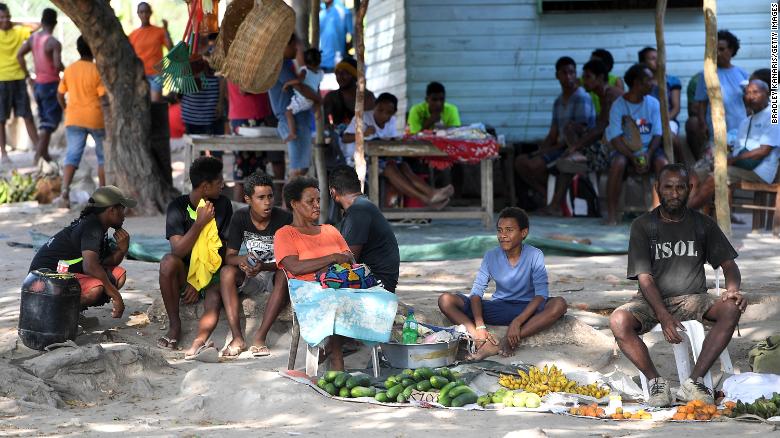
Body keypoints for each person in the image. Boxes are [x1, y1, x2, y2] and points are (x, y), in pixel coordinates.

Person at [610, 163, 745, 406]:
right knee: (618, 321)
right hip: (650, 301)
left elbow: (729, 265)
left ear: (690, 188)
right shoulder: (642, 225)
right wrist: (663, 315)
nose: (674, 193)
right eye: (668, 187)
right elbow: (645, 277)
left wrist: (732, 290)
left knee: (732, 308)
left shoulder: (703, 224)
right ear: (657, 189)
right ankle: (655, 382)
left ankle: (694, 382)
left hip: (693, 298)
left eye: (680, 187)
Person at [185, 172, 292, 358]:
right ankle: (237, 338)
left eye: (270, 197)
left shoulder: (284, 219)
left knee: (284, 274)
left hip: (274, 273)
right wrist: (243, 261)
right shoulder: (240, 217)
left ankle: (260, 338)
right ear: (248, 199)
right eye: (261, 198)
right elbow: (230, 257)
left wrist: (263, 267)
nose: (267, 202)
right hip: (252, 274)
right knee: (227, 272)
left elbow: (289, 261)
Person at [438, 207, 568, 360]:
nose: (503, 235)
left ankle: (506, 340)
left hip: (527, 310)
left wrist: (517, 322)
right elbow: (476, 292)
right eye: (499, 230)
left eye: (509, 230)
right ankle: (478, 339)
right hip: (499, 307)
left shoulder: (535, 254)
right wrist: (479, 326)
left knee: (559, 304)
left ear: (523, 233)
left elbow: (541, 295)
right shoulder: (491, 255)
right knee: (445, 300)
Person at [274, 176, 355, 370]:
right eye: (310, 201)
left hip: (338, 285)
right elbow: (295, 267)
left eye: (319, 200)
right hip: (307, 291)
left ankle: (331, 352)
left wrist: (328, 265)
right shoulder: (285, 234)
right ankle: (336, 359)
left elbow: (350, 259)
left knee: (379, 299)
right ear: (294, 204)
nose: (317, 205)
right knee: (335, 300)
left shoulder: (329, 230)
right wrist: (332, 258)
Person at [158, 157, 233, 350]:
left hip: (210, 274)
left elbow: (219, 252)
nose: (223, 186)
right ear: (205, 187)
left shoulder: (223, 205)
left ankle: (199, 342)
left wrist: (199, 281)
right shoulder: (177, 207)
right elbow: (178, 251)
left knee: (213, 298)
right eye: (218, 183)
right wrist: (200, 223)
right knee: (167, 262)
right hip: (185, 273)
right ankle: (175, 326)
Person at [29, 186, 136, 319]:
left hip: (55, 276)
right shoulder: (93, 227)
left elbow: (105, 262)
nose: (124, 214)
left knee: (118, 275)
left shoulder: (99, 226)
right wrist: (116, 296)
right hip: (42, 280)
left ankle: (71, 312)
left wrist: (122, 249)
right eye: (122, 209)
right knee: (95, 289)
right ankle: (57, 316)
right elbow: (90, 267)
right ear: (112, 210)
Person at [341, 92, 453, 208]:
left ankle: (431, 193)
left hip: (380, 159)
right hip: (357, 162)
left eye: (388, 113)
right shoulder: (362, 118)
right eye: (380, 110)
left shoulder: (392, 121)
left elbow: (389, 141)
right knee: (389, 168)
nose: (384, 115)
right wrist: (363, 134)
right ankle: (427, 199)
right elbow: (345, 138)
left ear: (393, 113)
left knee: (403, 165)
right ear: (375, 106)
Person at [540, 59, 620, 216]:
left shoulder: (609, 95)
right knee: (569, 147)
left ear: (600, 78)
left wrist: (575, 147)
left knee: (568, 162)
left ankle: (556, 204)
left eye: (588, 76)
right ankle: (555, 204)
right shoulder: (603, 95)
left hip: (616, 148)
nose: (584, 80)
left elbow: (600, 130)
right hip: (607, 144)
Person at [515, 57, 595, 207]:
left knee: (535, 165)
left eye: (572, 72)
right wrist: (541, 150)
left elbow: (579, 135)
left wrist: (547, 151)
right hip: (559, 147)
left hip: (575, 148)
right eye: (564, 73)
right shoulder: (558, 101)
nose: (569, 77)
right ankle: (548, 195)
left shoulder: (581, 98)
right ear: (557, 75)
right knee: (520, 162)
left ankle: (556, 200)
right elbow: (553, 134)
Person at [688, 80, 780, 209]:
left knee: (717, 176)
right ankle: (694, 216)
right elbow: (737, 150)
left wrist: (731, 160)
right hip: (741, 167)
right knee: (695, 174)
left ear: (767, 93)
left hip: (759, 172)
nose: (750, 96)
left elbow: (763, 151)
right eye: (747, 93)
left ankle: (685, 214)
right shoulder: (746, 121)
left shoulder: (774, 116)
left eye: (755, 92)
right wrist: (721, 159)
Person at [605, 63, 669, 225]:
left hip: (649, 149)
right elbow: (615, 138)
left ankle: (658, 214)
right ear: (636, 83)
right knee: (618, 163)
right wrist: (633, 157)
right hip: (626, 150)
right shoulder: (618, 105)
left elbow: (657, 134)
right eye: (648, 80)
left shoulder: (653, 103)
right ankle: (612, 214)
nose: (652, 83)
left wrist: (647, 154)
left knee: (663, 163)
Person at [54, 36, 107, 209]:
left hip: (74, 117)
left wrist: (66, 109)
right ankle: (103, 196)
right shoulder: (97, 69)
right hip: (95, 118)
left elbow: (60, 94)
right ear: (92, 49)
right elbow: (103, 96)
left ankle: (64, 194)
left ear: (78, 49)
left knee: (72, 155)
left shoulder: (70, 69)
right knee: (102, 157)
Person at [328, 165, 400, 292]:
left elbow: (348, 260)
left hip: (378, 283)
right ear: (359, 185)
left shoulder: (357, 212)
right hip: (378, 279)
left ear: (332, 192)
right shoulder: (363, 206)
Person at [269, 34, 321, 177]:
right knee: (297, 172)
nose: (296, 49)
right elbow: (300, 88)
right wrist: (318, 99)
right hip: (293, 120)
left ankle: (292, 199)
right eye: (294, 46)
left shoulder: (288, 64)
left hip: (299, 119)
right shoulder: (280, 65)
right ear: (284, 46)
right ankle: (290, 199)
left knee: (301, 170)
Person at [16, 8, 62, 163]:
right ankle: (38, 157)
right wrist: (66, 69)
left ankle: (44, 155)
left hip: (38, 86)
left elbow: (19, 55)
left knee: (44, 122)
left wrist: (28, 76)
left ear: (42, 22)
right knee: (50, 124)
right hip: (51, 85)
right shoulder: (53, 43)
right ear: (55, 23)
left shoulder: (33, 39)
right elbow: (56, 66)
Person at [226, 83, 282, 201]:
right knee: (243, 171)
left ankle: (250, 214)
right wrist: (264, 83)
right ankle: (239, 215)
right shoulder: (243, 66)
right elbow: (243, 88)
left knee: (256, 170)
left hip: (253, 115)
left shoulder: (233, 66)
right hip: (245, 116)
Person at [692, 30, 749, 147]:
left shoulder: (742, 74)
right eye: (714, 50)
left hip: (740, 124)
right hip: (716, 127)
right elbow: (701, 104)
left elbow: (748, 103)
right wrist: (703, 125)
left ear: (732, 50)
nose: (717, 53)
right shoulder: (706, 74)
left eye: (722, 49)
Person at [0, 3, 40, 165]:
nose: (5, 20)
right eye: (1, 17)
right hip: (1, 80)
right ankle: (3, 153)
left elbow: (37, 26)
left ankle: (39, 149)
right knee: (1, 119)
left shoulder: (18, 31)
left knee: (27, 116)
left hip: (18, 79)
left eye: (7, 16)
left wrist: (15, 23)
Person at [638, 46, 686, 162]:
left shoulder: (672, 81)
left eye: (658, 57)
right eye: (652, 59)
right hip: (645, 120)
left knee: (671, 138)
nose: (657, 61)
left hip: (668, 119)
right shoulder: (639, 83)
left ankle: (683, 167)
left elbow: (676, 108)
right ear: (643, 63)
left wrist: (661, 123)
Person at [128, 2, 172, 102]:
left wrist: (166, 31)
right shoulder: (132, 35)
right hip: (140, 75)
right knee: (142, 106)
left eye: (146, 12)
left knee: (155, 104)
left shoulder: (160, 31)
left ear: (150, 13)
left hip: (156, 74)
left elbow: (171, 49)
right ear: (138, 13)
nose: (144, 15)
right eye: (141, 12)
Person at [323, 57, 376, 134]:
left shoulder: (367, 97)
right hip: (338, 141)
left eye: (344, 73)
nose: (339, 77)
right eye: (337, 73)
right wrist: (330, 126)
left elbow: (371, 121)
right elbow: (326, 123)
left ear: (354, 76)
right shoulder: (331, 97)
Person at [283, 48, 324, 142]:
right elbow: (317, 89)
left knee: (288, 112)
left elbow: (298, 81)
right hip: (311, 100)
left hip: (302, 99)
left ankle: (292, 133)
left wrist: (287, 83)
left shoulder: (304, 70)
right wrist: (317, 105)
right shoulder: (320, 73)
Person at [180, 60, 225, 135]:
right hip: (190, 114)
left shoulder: (215, 54)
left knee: (211, 144)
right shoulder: (188, 53)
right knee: (191, 143)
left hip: (211, 112)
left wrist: (220, 103)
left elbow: (222, 78)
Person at [319, 0, 353, 72]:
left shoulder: (343, 11)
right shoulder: (320, 12)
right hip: (321, 62)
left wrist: (345, 50)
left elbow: (352, 35)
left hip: (337, 62)